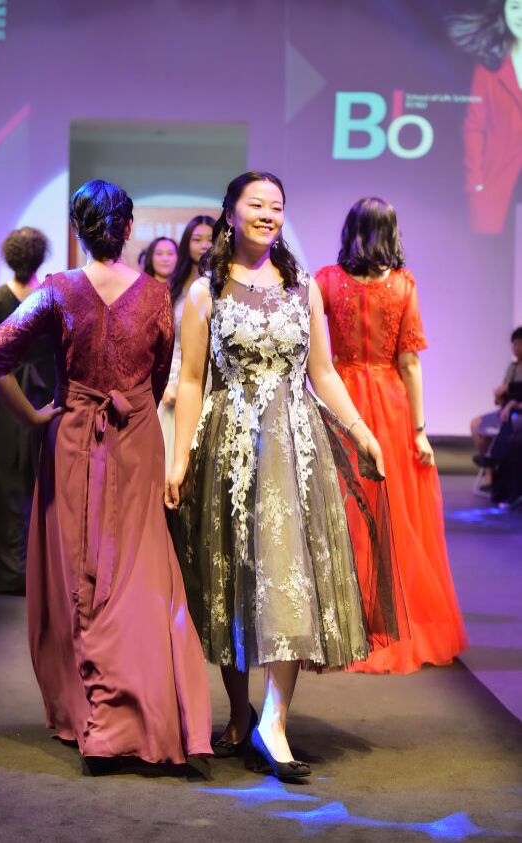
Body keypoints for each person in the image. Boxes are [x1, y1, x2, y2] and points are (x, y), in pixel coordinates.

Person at [166, 172, 408, 782]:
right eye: (256, 204)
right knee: (232, 575)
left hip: (295, 449)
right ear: (229, 213)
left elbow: (323, 374)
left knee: (288, 575)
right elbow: (191, 380)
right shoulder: (205, 290)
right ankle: (239, 712)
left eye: (277, 206)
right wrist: (180, 456)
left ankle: (274, 721)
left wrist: (362, 431)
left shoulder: (304, 288)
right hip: (229, 448)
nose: (268, 214)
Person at [0, 180, 212, 773]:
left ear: (77, 230)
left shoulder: (56, 290)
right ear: (130, 228)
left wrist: (33, 416)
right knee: (139, 570)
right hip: (135, 437)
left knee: (80, 572)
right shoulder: (156, 295)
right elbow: (158, 378)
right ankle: (142, 716)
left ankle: (93, 714)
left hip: (72, 438)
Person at [316, 197, 468, 675]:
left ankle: (343, 622)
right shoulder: (403, 285)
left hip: (341, 399)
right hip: (390, 405)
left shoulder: (325, 281)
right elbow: (409, 362)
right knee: (394, 514)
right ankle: (392, 620)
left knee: (344, 508)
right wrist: (420, 430)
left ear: (351, 230)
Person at [0, 227, 55, 594]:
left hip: (19, 396)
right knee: (24, 482)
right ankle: (25, 573)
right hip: (26, 396)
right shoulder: (44, 294)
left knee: (15, 484)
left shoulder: (44, 294)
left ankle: (19, 572)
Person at [447, 0, 522, 234]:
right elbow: (474, 125)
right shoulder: (489, 67)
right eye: (515, 7)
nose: (521, 15)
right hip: (497, 176)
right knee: (494, 248)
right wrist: (476, 180)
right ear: (503, 12)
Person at [159, 216, 214, 474]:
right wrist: (165, 384)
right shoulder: (173, 287)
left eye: (210, 239)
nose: (204, 245)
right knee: (171, 461)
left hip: (212, 380)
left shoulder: (223, 285)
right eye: (197, 239)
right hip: (174, 380)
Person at [471, 326, 522, 488]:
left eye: (519, 344)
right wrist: (499, 396)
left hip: (515, 412)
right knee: (476, 424)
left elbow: (516, 391)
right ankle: (489, 469)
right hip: (504, 410)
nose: (516, 348)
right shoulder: (512, 367)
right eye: (514, 344)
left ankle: (492, 468)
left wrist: (508, 392)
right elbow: (504, 392)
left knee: (506, 426)